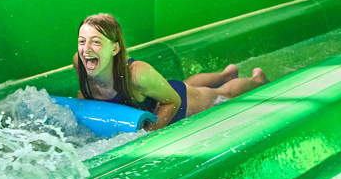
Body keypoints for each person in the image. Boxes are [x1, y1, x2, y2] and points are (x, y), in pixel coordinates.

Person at [74, 13, 272, 131]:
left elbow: (173, 100)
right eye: (82, 41)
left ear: (115, 48)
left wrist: (151, 133)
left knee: (220, 95)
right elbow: (87, 94)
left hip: (174, 104)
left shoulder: (136, 74)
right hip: (156, 90)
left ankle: (256, 79)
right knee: (188, 83)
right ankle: (225, 75)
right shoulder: (80, 62)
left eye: (96, 42)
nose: (86, 49)